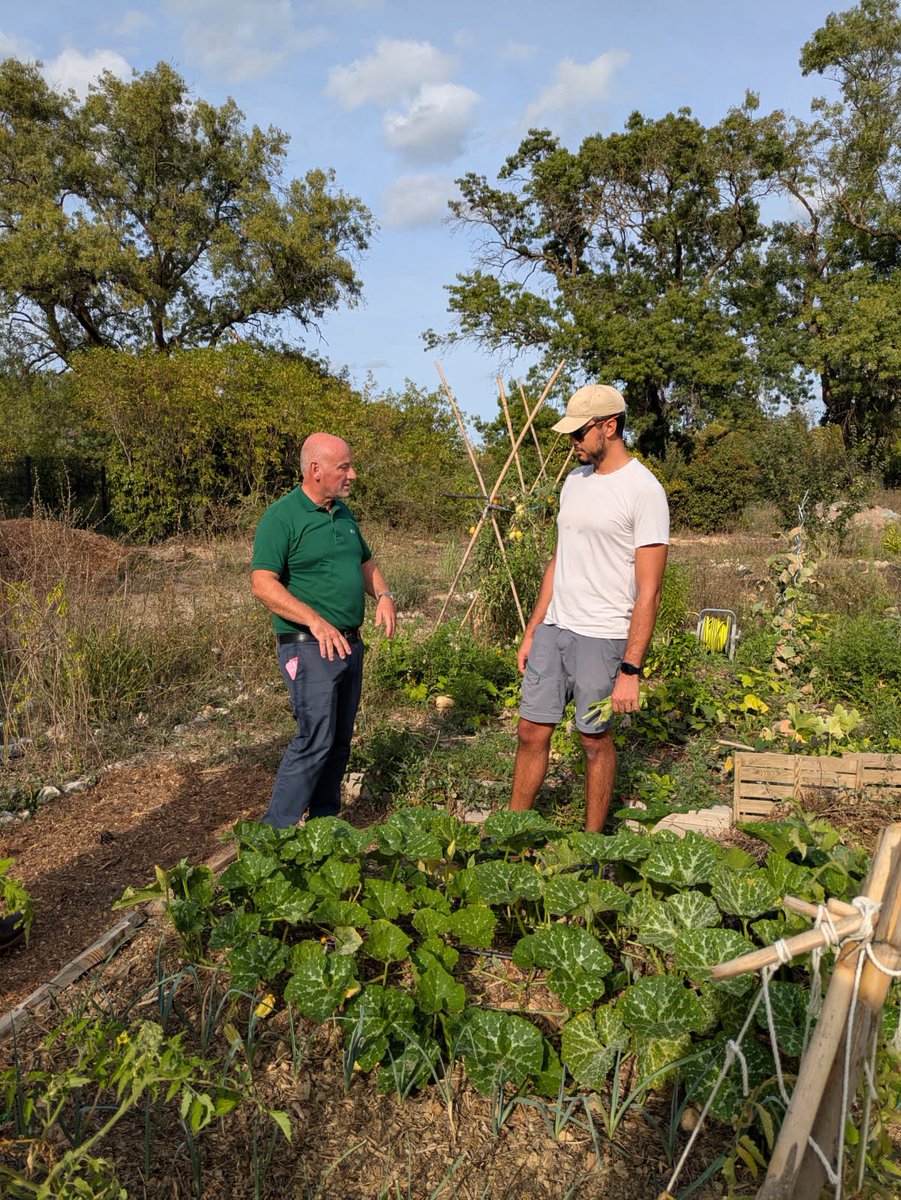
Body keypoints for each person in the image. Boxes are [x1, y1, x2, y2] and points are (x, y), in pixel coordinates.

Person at [509, 384, 669, 832]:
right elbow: (559, 559)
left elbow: (650, 590)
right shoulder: (574, 482)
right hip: (555, 629)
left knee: (593, 739)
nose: (573, 442)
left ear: (610, 426)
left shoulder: (644, 491)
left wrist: (631, 669)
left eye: (579, 433)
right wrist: (533, 630)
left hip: (603, 635)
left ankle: (591, 845)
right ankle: (511, 834)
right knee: (530, 731)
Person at [250, 433, 396, 828]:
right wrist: (314, 620)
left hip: (349, 644)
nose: (353, 474)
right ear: (315, 470)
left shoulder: (344, 514)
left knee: (339, 741)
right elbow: (262, 584)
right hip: (308, 646)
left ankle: (324, 826)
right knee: (314, 738)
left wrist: (383, 595)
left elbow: (365, 562)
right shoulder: (282, 518)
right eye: (344, 467)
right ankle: (274, 833)